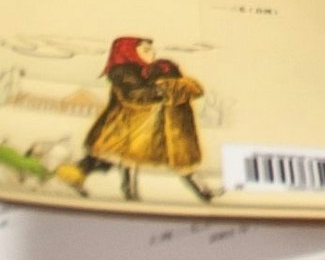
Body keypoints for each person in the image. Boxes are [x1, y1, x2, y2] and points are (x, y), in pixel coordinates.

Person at [57, 36, 214, 202]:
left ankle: (125, 191)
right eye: (145, 50)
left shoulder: (146, 70)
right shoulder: (123, 72)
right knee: (109, 159)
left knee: (116, 159)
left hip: (135, 128)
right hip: (119, 126)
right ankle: (73, 180)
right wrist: (164, 90)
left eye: (151, 49)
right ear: (128, 52)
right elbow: (135, 95)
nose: (152, 53)